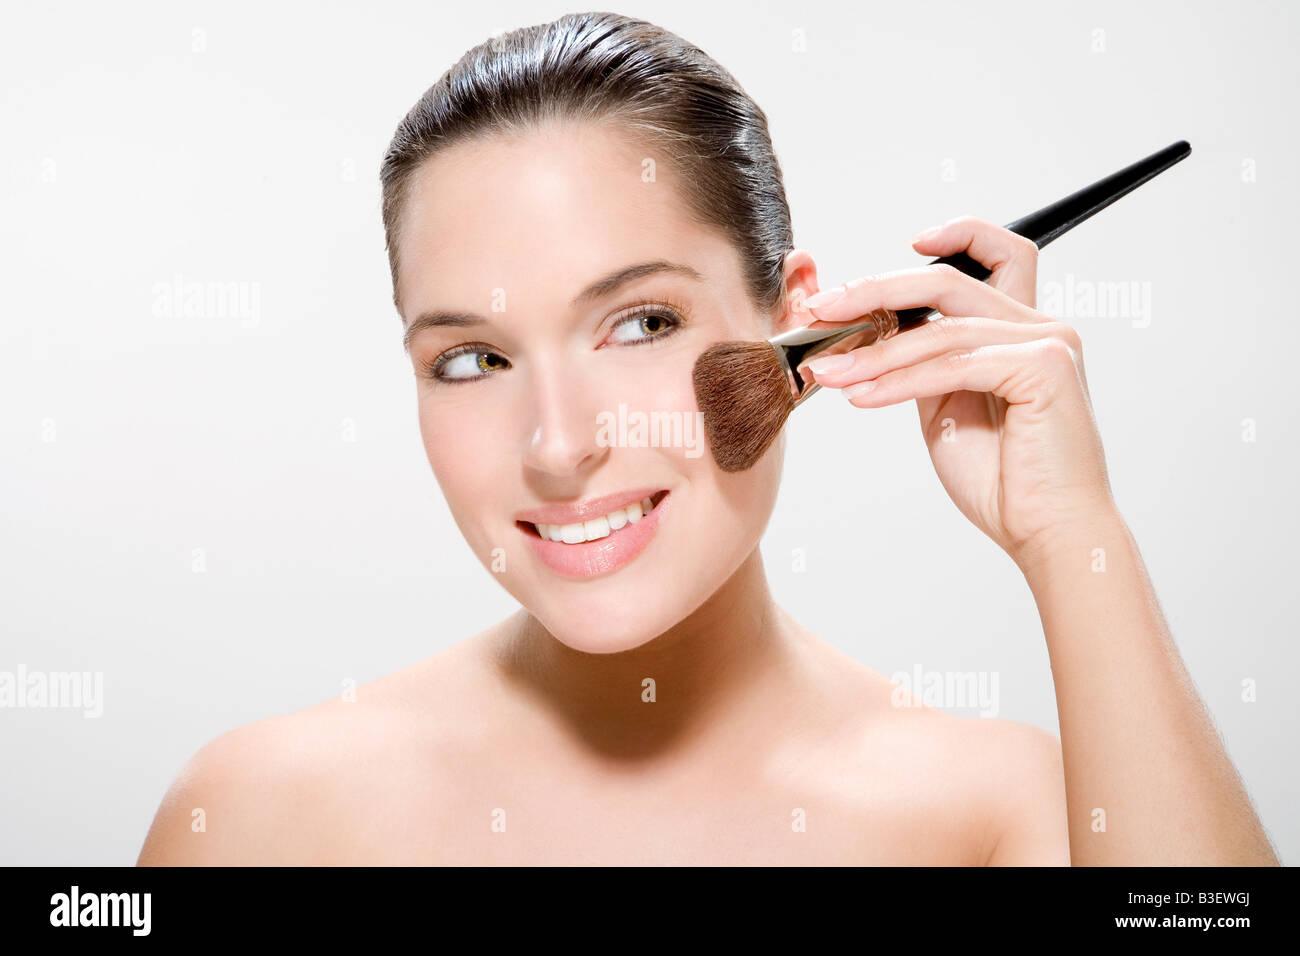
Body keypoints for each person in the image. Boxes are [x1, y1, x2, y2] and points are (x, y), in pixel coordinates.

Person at [137, 11, 1278, 865]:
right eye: (472, 359)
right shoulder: (253, 814)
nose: (559, 442)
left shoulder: (1006, 813)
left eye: (640, 322)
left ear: (794, 317)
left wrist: (1072, 535)